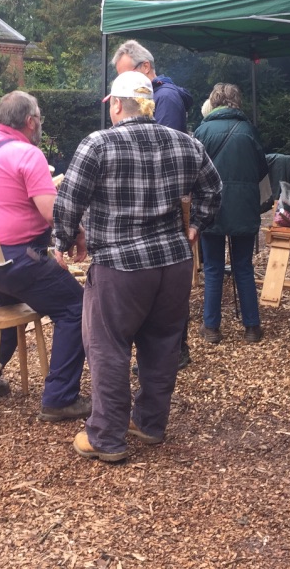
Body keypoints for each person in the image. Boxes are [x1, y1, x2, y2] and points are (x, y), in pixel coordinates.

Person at [53, 71, 222, 462]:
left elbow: (68, 202)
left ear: (115, 104)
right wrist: (197, 224)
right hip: (175, 263)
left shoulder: (98, 144)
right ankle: (149, 424)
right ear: (148, 105)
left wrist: (63, 241)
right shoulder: (186, 142)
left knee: (108, 346)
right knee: (162, 344)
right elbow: (214, 189)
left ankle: (106, 437)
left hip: (120, 266)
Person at [0, 91, 90, 422]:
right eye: (40, 118)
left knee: (9, 304)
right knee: (76, 307)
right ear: (30, 121)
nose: (40, 124)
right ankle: (60, 398)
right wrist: (79, 233)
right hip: (13, 256)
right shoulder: (28, 154)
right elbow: (52, 215)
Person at [112, 38, 196, 368]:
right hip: (150, 205)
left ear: (145, 68)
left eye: (126, 76)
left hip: (165, 205)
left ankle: (175, 351)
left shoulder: (166, 99)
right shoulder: (157, 97)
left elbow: (162, 154)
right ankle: (165, 351)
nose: (122, 87)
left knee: (166, 286)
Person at [193, 83, 269, 344]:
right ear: (237, 102)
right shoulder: (248, 130)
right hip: (244, 205)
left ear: (213, 102)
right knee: (243, 266)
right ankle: (251, 328)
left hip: (211, 206)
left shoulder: (203, 131)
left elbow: (195, 171)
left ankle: (212, 328)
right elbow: (261, 168)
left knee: (213, 267)